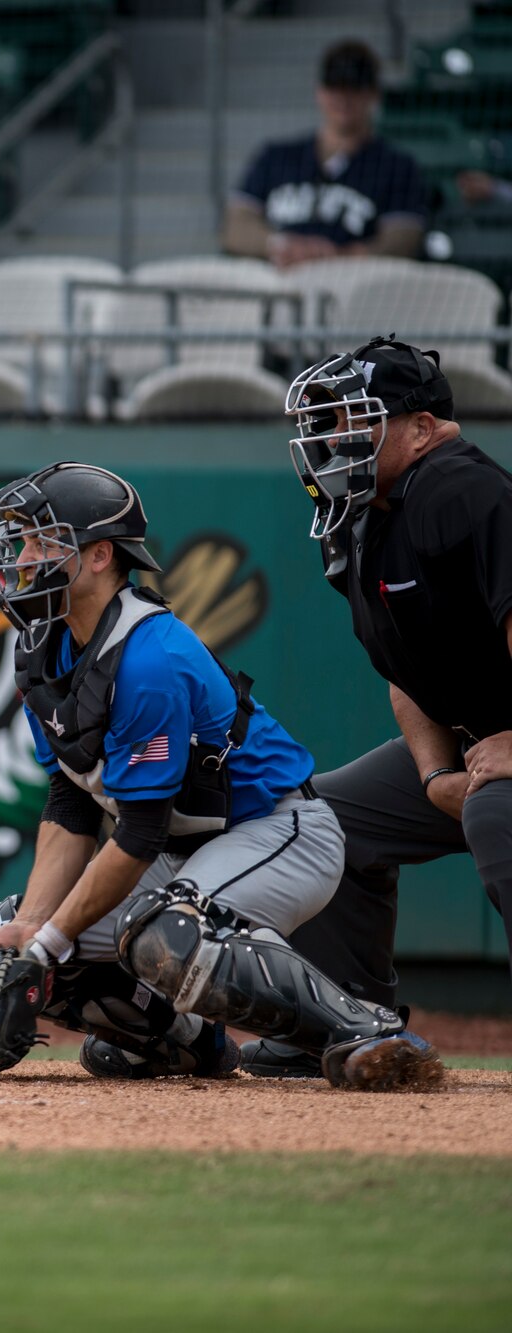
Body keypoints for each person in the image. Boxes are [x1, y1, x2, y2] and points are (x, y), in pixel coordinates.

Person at [0, 462, 439, 1090]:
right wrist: (33, 928)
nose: (23, 557)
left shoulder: (148, 656)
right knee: (8, 934)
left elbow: (138, 832)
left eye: (41, 542)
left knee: (161, 931)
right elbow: (70, 803)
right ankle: (181, 1043)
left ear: (100, 555)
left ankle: (365, 1029)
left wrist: (46, 943)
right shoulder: (40, 648)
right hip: (179, 850)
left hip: (277, 829)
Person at [243, 339, 512, 1077]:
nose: (335, 438)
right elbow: (408, 668)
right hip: (471, 739)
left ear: (423, 427)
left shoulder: (459, 488)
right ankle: (346, 1024)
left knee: (498, 814)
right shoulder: (365, 516)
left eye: (356, 419)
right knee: (324, 821)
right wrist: (432, 774)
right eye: (328, 423)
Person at [223, 38, 428, 268]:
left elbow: (404, 239)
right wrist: (281, 245)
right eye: (335, 87)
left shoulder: (396, 166)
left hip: (352, 281)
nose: (343, 99)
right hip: (279, 278)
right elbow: (235, 228)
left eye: (354, 89)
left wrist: (342, 257)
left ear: (373, 94)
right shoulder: (275, 156)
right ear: (320, 92)